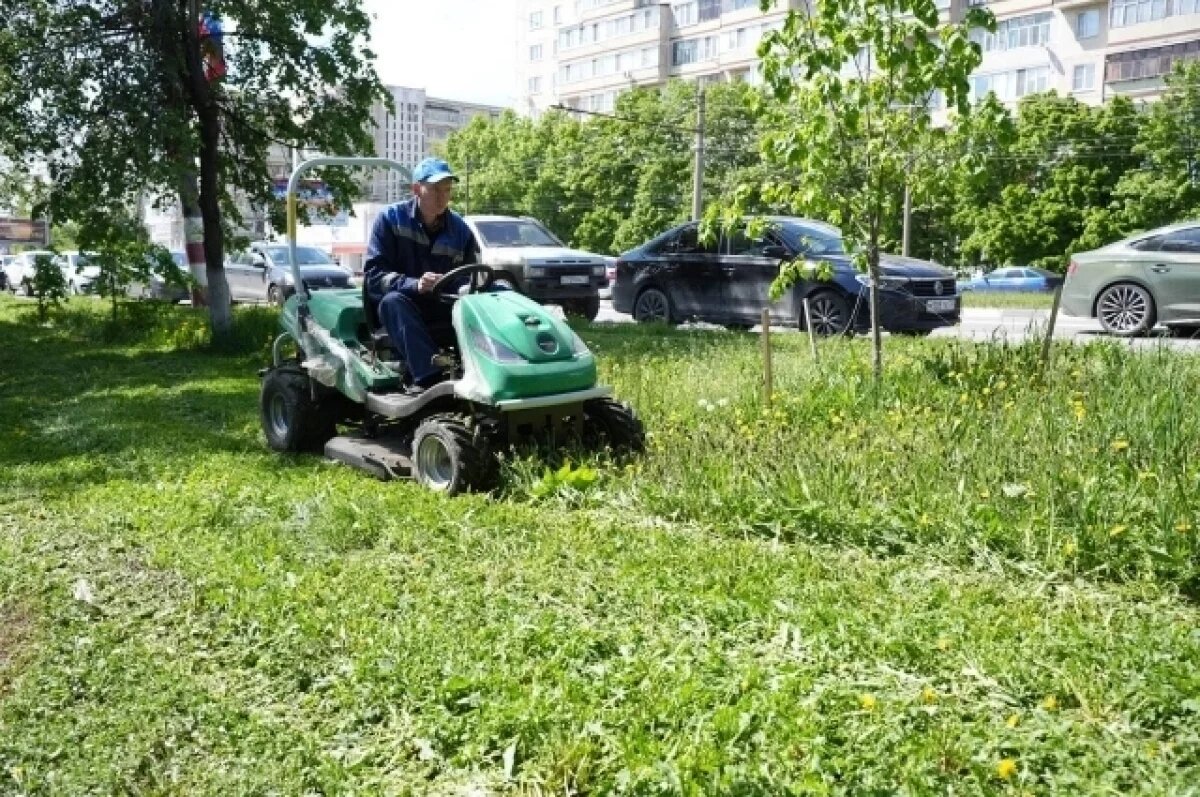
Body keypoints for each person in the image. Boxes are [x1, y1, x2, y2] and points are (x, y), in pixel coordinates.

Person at [364, 157, 481, 389]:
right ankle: (430, 381)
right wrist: (415, 284)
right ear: (417, 189)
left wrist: (466, 288)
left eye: (447, 190)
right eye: (436, 189)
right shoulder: (390, 220)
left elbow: (468, 275)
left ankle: (501, 366)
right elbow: (374, 277)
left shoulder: (461, 230)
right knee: (392, 302)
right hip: (403, 306)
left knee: (495, 292)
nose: (443, 197)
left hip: (443, 305)